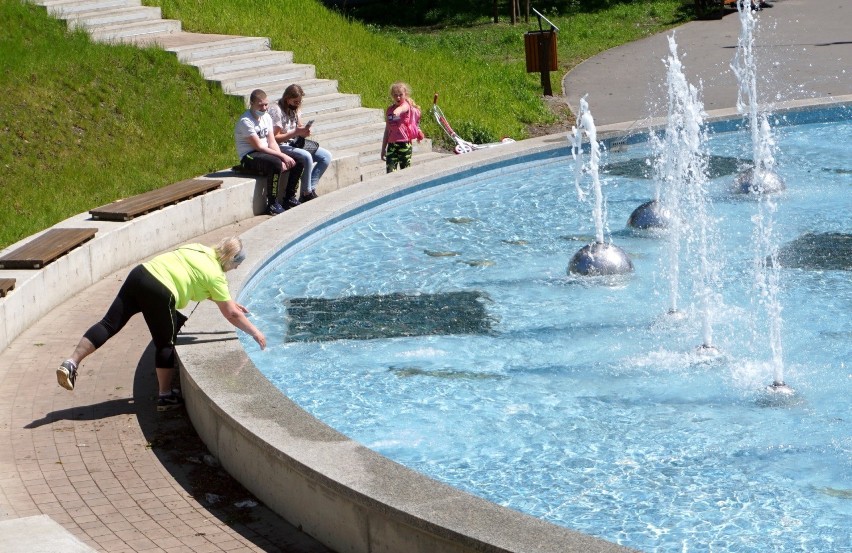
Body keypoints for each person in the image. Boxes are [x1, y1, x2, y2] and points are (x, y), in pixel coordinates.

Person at [55, 237, 267, 411]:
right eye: (237, 265)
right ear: (230, 261)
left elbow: (199, 282)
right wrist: (255, 332)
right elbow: (230, 314)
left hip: (140, 274)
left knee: (109, 324)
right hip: (160, 291)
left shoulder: (199, 249)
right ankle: (165, 396)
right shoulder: (217, 277)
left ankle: (71, 362)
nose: (237, 269)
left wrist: (226, 300)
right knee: (165, 342)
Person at [234, 89, 300, 214]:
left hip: (265, 151)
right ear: (252, 103)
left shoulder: (266, 117)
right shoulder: (245, 121)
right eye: (260, 105)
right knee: (275, 163)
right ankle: (272, 204)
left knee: (299, 159)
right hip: (249, 156)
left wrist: (284, 156)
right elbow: (259, 147)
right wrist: (281, 157)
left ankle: (289, 197)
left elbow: (272, 142)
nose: (264, 108)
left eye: (266, 104)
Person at [268, 84, 333, 203]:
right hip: (281, 146)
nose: (298, 104)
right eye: (295, 102)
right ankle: (306, 192)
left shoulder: (296, 109)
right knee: (306, 156)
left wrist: (304, 132)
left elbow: (298, 127)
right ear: (287, 99)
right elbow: (274, 138)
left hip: (295, 142)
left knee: (326, 156)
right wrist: (295, 133)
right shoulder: (276, 110)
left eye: (299, 102)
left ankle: (311, 188)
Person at [381, 81, 424, 173]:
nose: (398, 97)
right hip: (392, 145)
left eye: (400, 94)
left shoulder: (406, 106)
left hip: (404, 144)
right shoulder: (389, 110)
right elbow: (387, 130)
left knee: (405, 172)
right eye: (395, 95)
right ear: (392, 95)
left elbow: (403, 108)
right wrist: (383, 148)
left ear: (406, 95)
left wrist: (398, 110)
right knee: (390, 172)